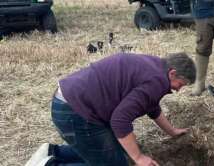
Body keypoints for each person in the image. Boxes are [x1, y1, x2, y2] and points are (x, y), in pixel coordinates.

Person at [25, 52, 196, 166]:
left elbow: (151, 106)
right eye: (181, 84)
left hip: (71, 101)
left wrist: (172, 131)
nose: (179, 89)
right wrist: (138, 158)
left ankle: (51, 152)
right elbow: (120, 121)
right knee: (116, 163)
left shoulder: (156, 67)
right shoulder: (157, 81)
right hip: (75, 111)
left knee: (117, 150)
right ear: (172, 73)